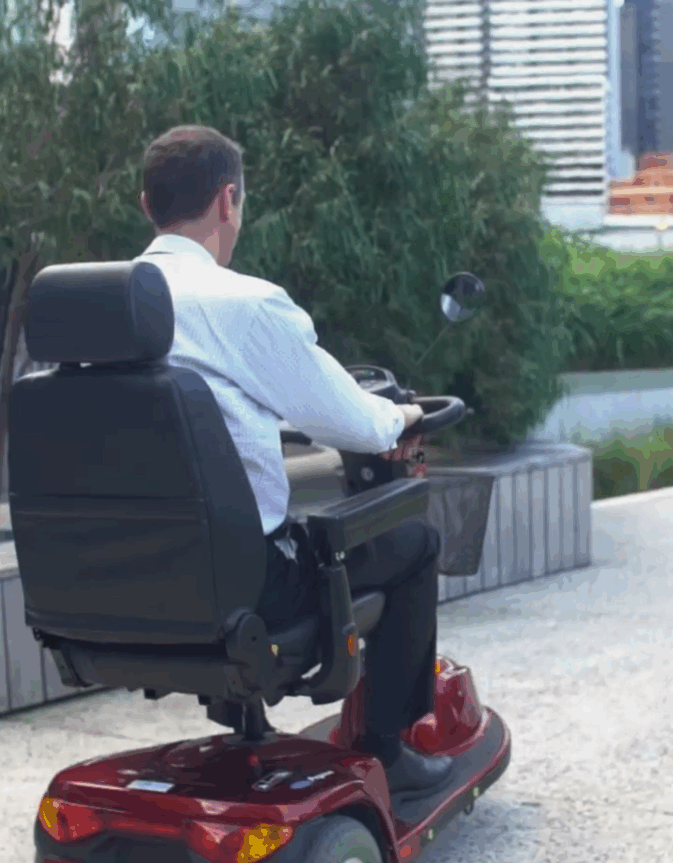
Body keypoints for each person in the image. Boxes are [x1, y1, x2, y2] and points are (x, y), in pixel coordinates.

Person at [133, 124, 452, 799]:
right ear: (228, 201)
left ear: (146, 207)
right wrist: (402, 417)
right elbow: (348, 418)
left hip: (121, 586)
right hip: (245, 588)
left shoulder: (104, 312)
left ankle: (240, 717)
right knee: (413, 539)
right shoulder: (243, 305)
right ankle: (387, 746)